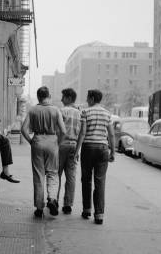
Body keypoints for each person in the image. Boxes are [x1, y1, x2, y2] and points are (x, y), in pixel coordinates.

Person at [21, 86, 66, 218]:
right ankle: (52, 198)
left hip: (37, 141)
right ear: (49, 96)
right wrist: (58, 143)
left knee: (38, 175)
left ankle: (39, 208)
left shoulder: (33, 110)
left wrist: (31, 142)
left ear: (38, 96)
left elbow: (24, 129)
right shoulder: (55, 110)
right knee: (52, 173)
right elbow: (63, 131)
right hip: (52, 142)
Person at [74, 89, 115, 225]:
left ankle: (87, 210)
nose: (86, 100)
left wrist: (76, 151)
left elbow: (82, 133)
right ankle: (99, 215)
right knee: (100, 182)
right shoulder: (107, 113)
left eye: (87, 97)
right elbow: (111, 134)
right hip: (103, 149)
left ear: (92, 98)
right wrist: (113, 152)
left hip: (88, 148)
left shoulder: (86, 112)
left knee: (86, 180)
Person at [57, 88, 81, 215]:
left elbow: (58, 130)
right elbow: (82, 132)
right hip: (74, 145)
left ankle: (54, 201)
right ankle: (68, 205)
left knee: (57, 174)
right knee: (71, 176)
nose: (61, 100)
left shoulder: (61, 111)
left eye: (63, 97)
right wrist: (78, 149)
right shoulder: (79, 113)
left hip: (61, 145)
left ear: (69, 98)